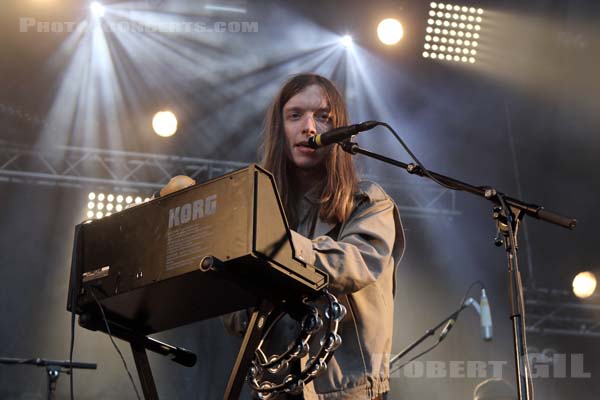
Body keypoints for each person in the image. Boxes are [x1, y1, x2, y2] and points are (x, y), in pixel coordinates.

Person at [225, 73, 404, 400]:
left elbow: (354, 265)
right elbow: (234, 317)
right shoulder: (259, 210)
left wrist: (274, 243)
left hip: (346, 392)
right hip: (273, 390)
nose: (309, 127)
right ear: (280, 129)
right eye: (295, 115)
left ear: (340, 131)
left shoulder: (369, 201)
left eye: (323, 117)